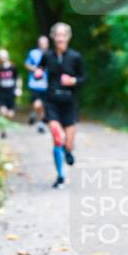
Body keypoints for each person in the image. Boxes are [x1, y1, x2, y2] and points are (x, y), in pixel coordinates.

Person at [35, 23, 85, 189]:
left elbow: (84, 77)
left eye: (63, 35)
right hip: (52, 102)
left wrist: (73, 81)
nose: (60, 38)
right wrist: (38, 73)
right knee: (58, 138)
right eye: (57, 35)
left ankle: (68, 150)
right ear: (53, 37)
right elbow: (39, 68)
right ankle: (60, 176)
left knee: (68, 143)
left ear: (68, 37)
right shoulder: (47, 56)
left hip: (69, 103)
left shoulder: (76, 57)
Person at [0, 49, 20, 139]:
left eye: (4, 57)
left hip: (11, 93)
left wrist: (18, 89)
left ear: (7, 57)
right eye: (0, 57)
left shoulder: (13, 67)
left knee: (10, 115)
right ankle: (3, 130)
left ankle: (5, 125)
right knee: (3, 112)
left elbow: (18, 78)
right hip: (1, 93)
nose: (2, 59)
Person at [24, 35, 50, 134]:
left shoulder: (50, 54)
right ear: (39, 43)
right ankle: (34, 113)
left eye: (45, 43)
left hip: (46, 84)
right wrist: (35, 69)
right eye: (42, 43)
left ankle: (41, 124)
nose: (43, 45)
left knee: (43, 105)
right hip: (35, 83)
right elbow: (26, 64)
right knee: (37, 104)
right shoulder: (33, 53)